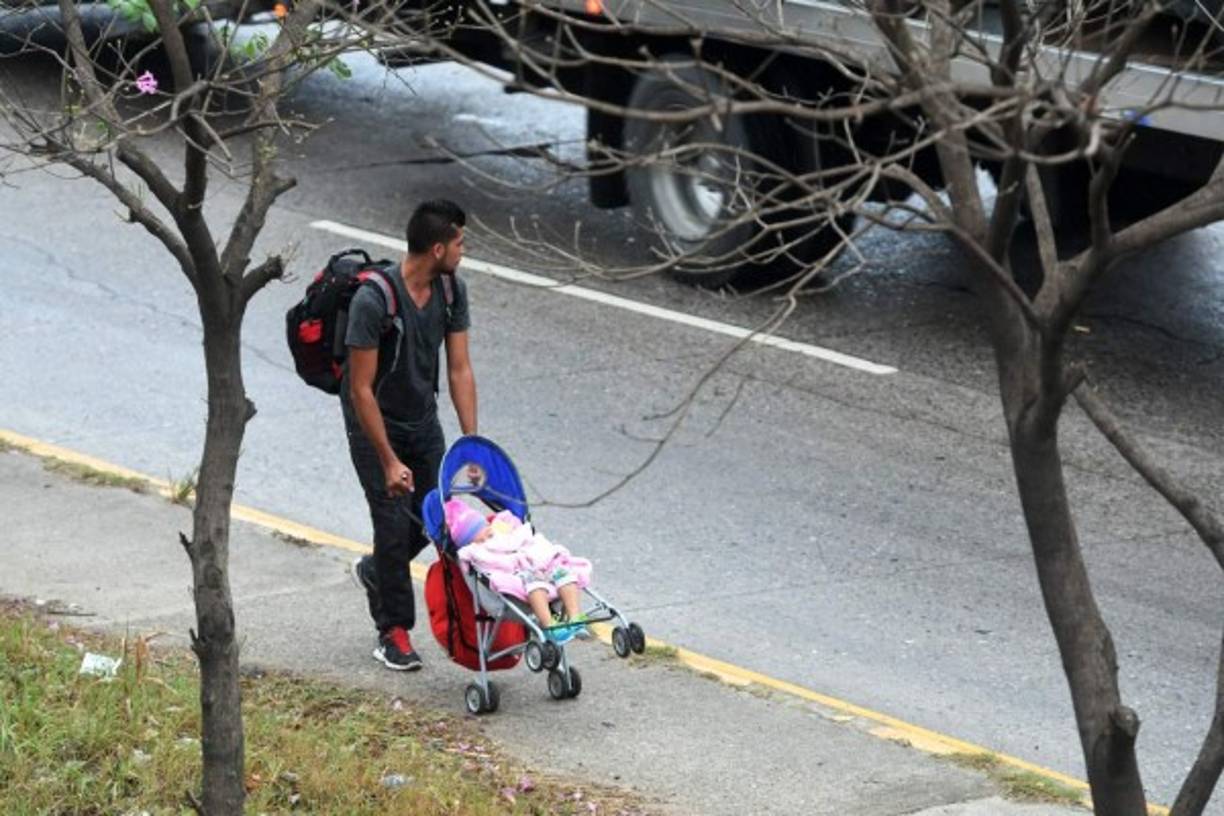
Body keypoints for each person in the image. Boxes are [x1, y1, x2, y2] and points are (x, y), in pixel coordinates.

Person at [347, 199, 477, 671]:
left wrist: (471, 445)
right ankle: (393, 631)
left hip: (422, 417)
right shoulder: (373, 301)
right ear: (438, 248)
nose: (464, 251)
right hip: (374, 422)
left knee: (438, 515)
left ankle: (378, 569)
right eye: (460, 243)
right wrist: (388, 460)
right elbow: (360, 389)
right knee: (390, 519)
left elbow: (459, 369)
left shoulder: (451, 290)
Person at [444, 499, 592, 644]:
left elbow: (515, 525)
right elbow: (468, 559)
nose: (488, 528)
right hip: (520, 575)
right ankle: (549, 626)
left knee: (564, 574)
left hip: (537, 561)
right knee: (535, 586)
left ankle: (575, 618)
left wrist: (510, 524)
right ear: (472, 540)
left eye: (486, 525)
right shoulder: (476, 550)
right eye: (482, 531)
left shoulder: (499, 529)